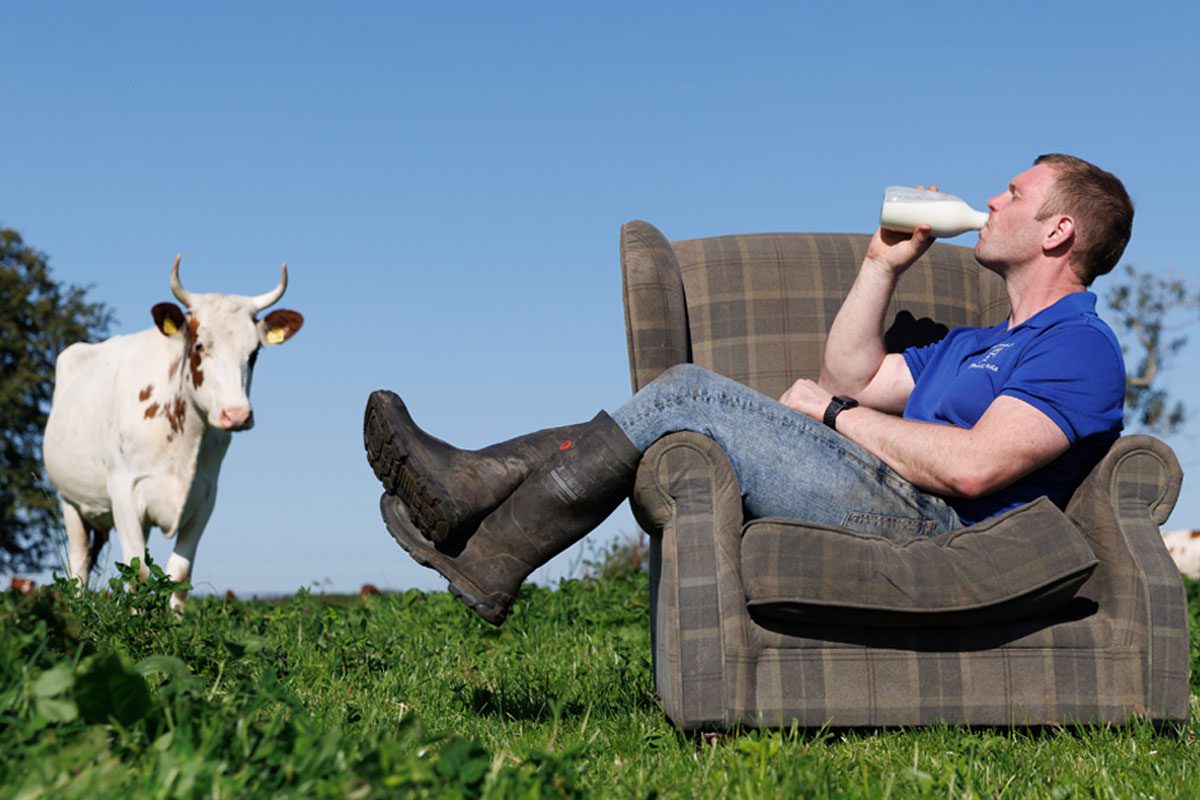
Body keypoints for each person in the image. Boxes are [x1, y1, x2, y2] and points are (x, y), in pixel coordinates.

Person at [364, 153, 1132, 626]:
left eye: (1013, 193)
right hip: (894, 493)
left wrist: (837, 418)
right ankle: (475, 505)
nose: (993, 202)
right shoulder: (978, 344)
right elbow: (853, 376)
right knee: (678, 405)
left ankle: (485, 531)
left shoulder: (1078, 348)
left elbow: (974, 468)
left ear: (1059, 231)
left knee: (688, 392)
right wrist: (882, 266)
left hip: (943, 528)